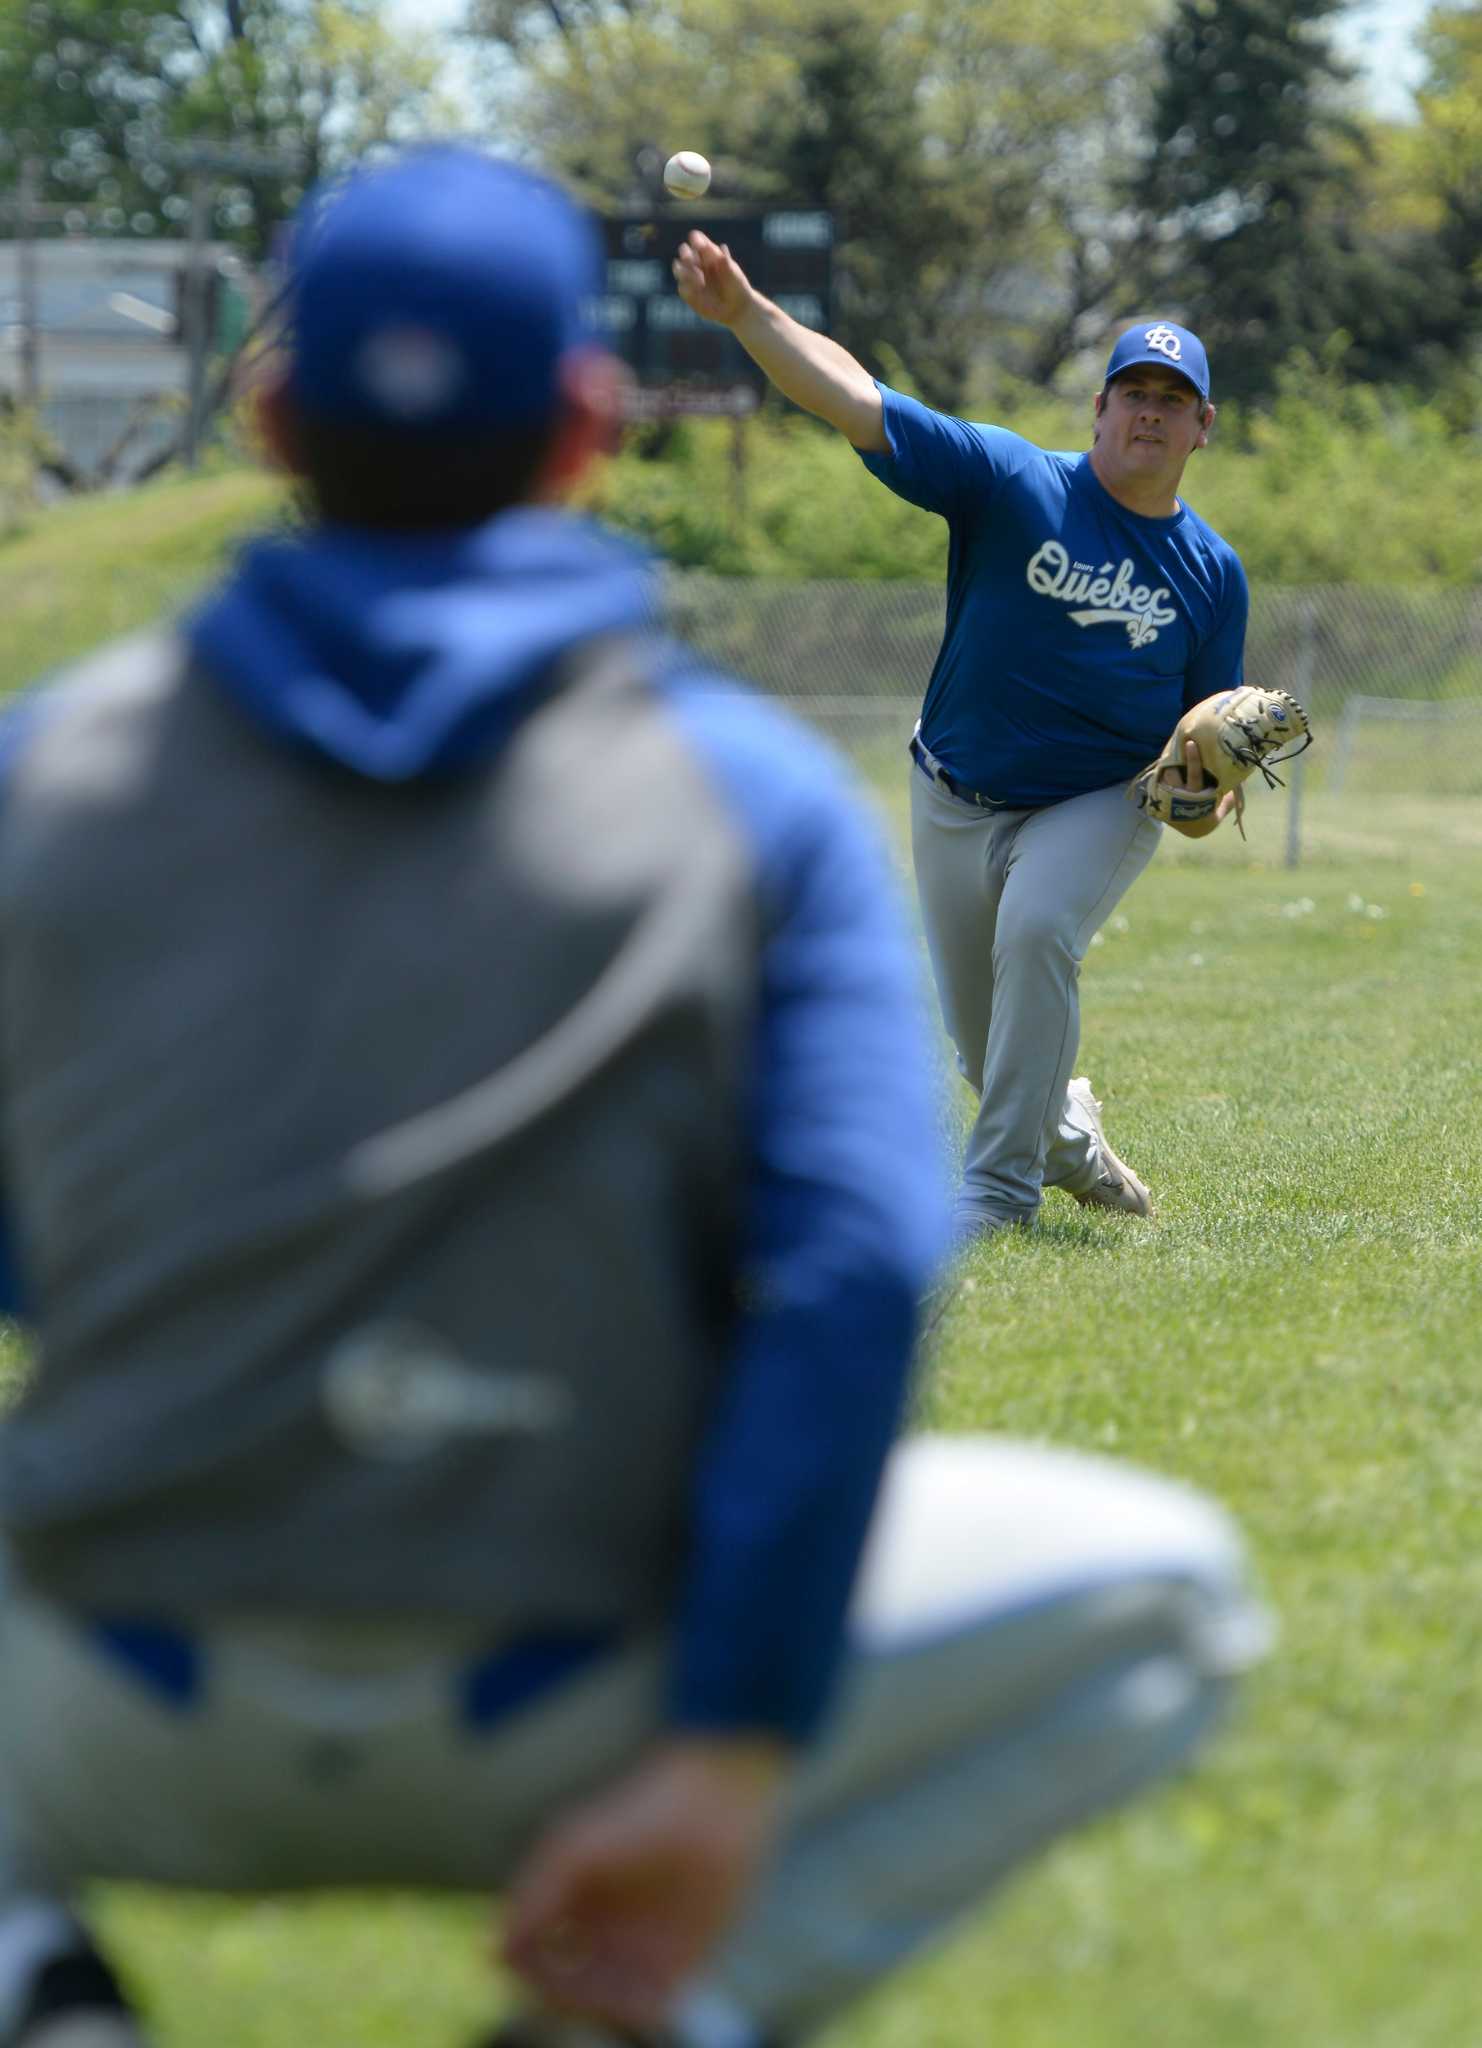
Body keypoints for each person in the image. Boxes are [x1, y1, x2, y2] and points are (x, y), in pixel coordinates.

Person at [0, 148, 1266, 2048]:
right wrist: (731, 1739)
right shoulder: (745, 803)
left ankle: (42, 1984)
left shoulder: (51, 772)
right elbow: (849, 1283)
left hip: (113, 1689)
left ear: (269, 417)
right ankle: (644, 2006)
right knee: (1171, 1597)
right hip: (591, 1691)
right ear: (587, 429)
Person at [675, 235, 1250, 1243]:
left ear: (1203, 426)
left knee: (1037, 932)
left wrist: (1208, 787)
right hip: (951, 787)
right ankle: (1073, 1142)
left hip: (1095, 798)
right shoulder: (1014, 481)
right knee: (990, 1058)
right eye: (1133, 390)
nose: (1149, 409)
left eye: (1172, 397)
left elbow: (1206, 737)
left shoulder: (1212, 572)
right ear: (1101, 407)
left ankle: (997, 1193)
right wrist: (745, 315)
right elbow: (855, 397)